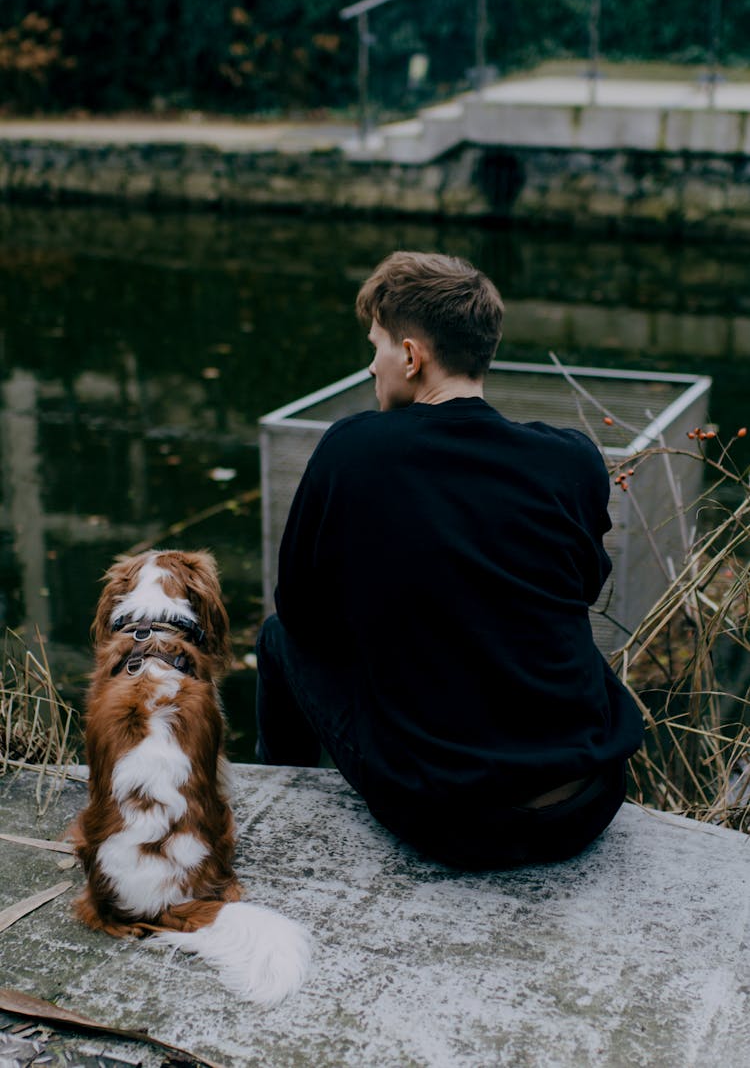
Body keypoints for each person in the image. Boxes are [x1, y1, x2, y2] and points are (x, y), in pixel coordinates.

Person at [255, 251, 644, 869]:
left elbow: (303, 612)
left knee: (277, 638)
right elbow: (581, 585)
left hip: (455, 824)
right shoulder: (571, 458)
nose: (372, 364)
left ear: (411, 357)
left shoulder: (353, 450)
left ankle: (275, 801)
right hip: (587, 803)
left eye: (377, 346)